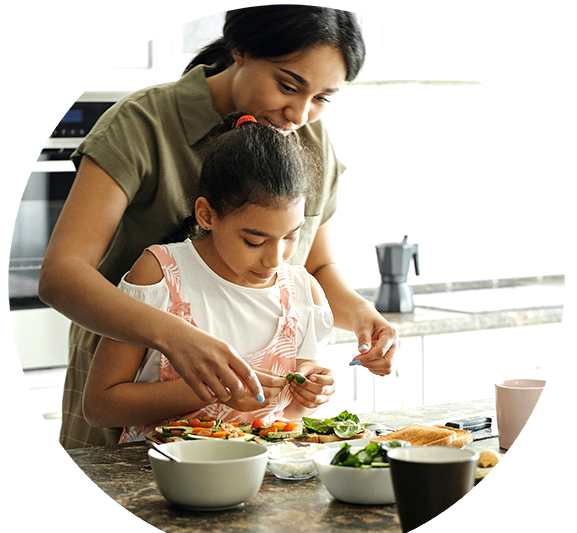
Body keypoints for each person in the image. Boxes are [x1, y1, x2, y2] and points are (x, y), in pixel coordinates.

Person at [39, 5, 400, 449]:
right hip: (128, 381)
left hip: (245, 432)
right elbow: (61, 274)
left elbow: (316, 266)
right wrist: (176, 337)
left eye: (323, 98)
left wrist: (363, 316)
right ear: (241, 51)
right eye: (288, 85)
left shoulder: (309, 140)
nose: (300, 114)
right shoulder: (142, 124)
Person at [83, 112, 335, 442]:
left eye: (291, 236)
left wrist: (311, 394)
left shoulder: (304, 294)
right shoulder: (160, 275)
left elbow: (290, 416)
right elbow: (100, 407)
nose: (275, 259)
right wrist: (210, 390)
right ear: (206, 214)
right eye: (254, 241)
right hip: (161, 477)